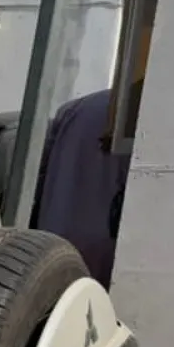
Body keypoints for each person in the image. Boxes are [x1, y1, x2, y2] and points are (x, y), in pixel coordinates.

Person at [31, 87, 133, 288]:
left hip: (56, 246)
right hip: (110, 255)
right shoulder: (149, 110)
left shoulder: (77, 108)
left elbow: (40, 174)